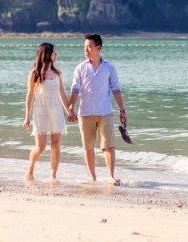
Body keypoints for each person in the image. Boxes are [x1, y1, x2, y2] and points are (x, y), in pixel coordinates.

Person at [67, 33, 127, 185]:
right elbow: (75, 89)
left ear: (98, 47)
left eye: (89, 47)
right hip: (85, 113)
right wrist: (71, 107)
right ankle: (92, 177)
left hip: (105, 112)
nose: (85, 50)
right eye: (84, 47)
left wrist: (122, 110)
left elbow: (116, 89)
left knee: (108, 145)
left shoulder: (109, 68)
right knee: (88, 147)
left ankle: (110, 176)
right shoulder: (80, 68)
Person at [22, 42, 72, 181]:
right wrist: (27, 117)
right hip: (40, 111)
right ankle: (30, 170)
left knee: (56, 145)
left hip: (56, 109)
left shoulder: (58, 73)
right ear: (47, 54)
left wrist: (70, 111)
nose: (56, 54)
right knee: (40, 147)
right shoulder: (34, 74)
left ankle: (53, 176)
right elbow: (30, 95)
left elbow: (62, 94)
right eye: (54, 52)